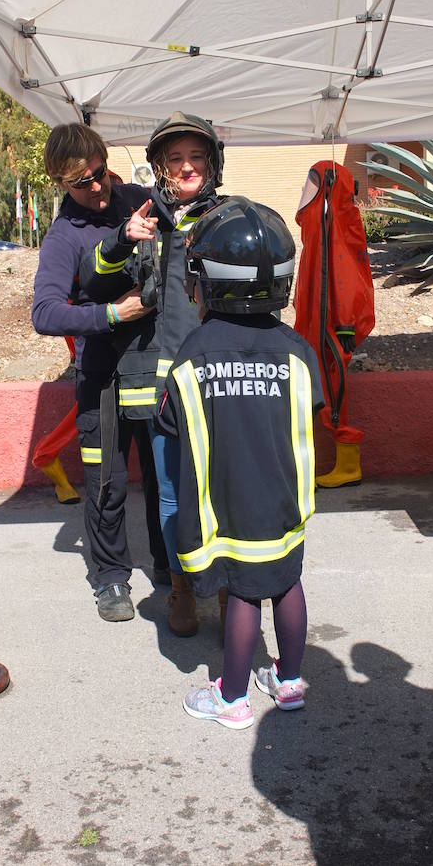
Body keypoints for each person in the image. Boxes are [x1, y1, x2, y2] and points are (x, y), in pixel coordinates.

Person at [156, 196, 325, 729]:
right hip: (285, 503)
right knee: (288, 583)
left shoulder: (193, 352)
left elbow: (168, 423)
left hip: (227, 505)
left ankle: (231, 698)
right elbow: (316, 414)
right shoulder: (298, 349)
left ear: (203, 281)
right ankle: (291, 681)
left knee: (246, 594)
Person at [79, 111, 226, 637]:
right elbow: (90, 280)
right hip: (152, 382)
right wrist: (122, 239)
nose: (186, 168)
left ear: (212, 163)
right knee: (168, 490)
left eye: (196, 157)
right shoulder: (142, 218)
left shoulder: (226, 218)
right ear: (160, 166)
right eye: (175, 159)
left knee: (215, 486)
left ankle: (226, 584)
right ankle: (181, 586)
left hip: (210, 379)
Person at [31, 123, 166, 623]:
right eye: (82, 182)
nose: (96, 186)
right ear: (60, 184)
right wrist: (110, 315)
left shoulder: (136, 198)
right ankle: (111, 577)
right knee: (107, 480)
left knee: (161, 474)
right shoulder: (64, 235)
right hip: (102, 374)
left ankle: (171, 571)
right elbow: (44, 313)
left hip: (154, 363)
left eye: (99, 173)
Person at [293, 161, 374, 487]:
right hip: (323, 320)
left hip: (331, 325)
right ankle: (337, 465)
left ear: (326, 187)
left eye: (310, 184)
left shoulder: (334, 228)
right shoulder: (327, 225)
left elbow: (343, 278)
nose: (303, 192)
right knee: (321, 388)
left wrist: (343, 325)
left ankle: (348, 466)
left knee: (329, 392)